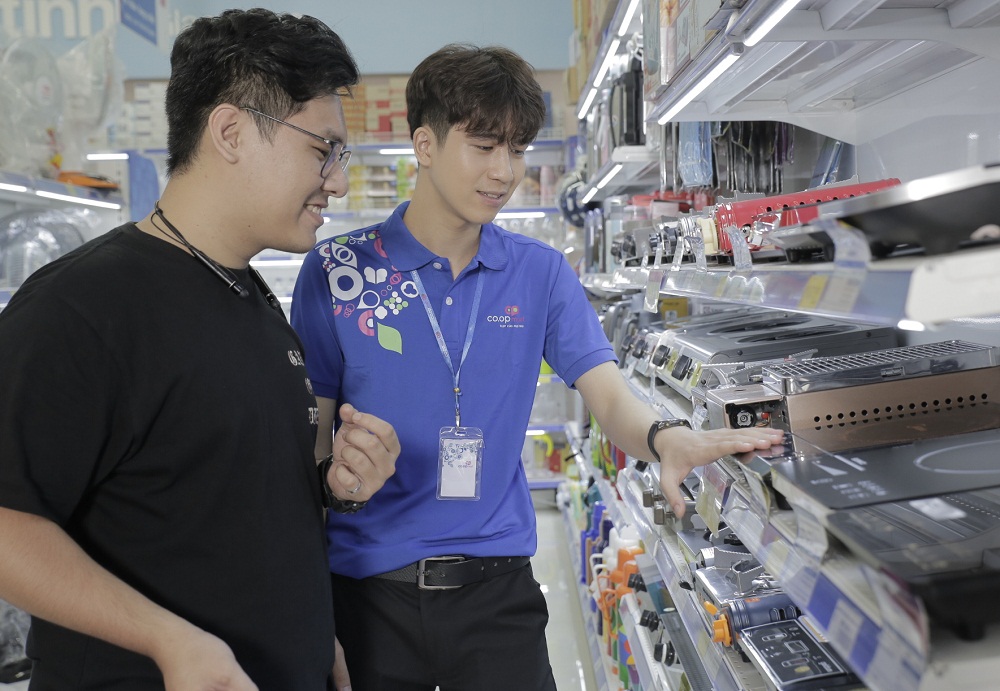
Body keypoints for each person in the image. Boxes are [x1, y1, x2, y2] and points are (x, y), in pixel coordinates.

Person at [291, 44, 784, 690]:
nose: (504, 171)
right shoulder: (338, 272)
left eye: (517, 149)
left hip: (497, 597)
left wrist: (666, 437)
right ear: (425, 144)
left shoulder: (540, 272)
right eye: (483, 146)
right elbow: (308, 452)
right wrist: (311, 588)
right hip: (366, 596)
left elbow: (609, 397)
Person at [0, 8, 399, 690]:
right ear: (231, 132)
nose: (337, 180)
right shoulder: (81, 308)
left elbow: (225, 498)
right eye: (323, 150)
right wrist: (166, 641)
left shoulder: (251, 298)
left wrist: (315, 619)